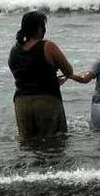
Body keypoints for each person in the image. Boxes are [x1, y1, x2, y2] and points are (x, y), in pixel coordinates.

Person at [8, 11, 76, 140]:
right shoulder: (48, 46)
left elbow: (19, 74)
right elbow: (69, 71)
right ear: (40, 28)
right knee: (53, 145)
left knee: (27, 146)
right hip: (46, 101)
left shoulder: (14, 50)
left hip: (21, 103)